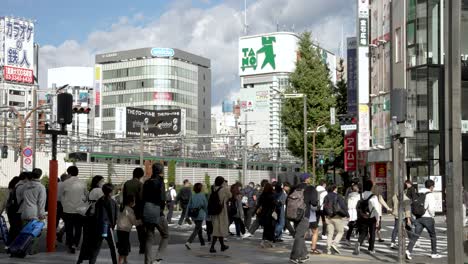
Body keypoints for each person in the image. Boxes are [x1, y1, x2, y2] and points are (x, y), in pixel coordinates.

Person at [406, 179, 442, 260]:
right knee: (433, 235)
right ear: (432, 187)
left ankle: (408, 251)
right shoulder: (430, 195)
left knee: (416, 235)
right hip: (428, 217)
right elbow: (431, 208)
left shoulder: (419, 193)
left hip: (418, 217)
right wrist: (432, 216)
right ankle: (434, 253)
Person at [143, 163, 169, 264]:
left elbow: (143, 198)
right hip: (157, 210)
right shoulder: (160, 182)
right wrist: (161, 210)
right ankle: (158, 258)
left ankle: (147, 261)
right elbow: (162, 198)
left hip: (147, 210)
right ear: (161, 170)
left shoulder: (147, 182)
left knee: (149, 237)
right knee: (165, 235)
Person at [289, 174, 317, 264]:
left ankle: (304, 255)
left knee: (299, 234)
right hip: (304, 214)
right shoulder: (311, 188)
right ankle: (294, 256)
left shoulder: (294, 188)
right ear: (306, 179)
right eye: (309, 178)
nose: (310, 179)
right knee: (299, 236)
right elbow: (314, 203)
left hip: (294, 214)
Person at [77, 175, 105, 264]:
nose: (103, 183)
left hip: (88, 217)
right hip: (95, 217)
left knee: (86, 240)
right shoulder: (99, 191)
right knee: (95, 241)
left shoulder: (91, 190)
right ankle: (91, 260)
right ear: (98, 182)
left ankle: (81, 259)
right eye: (102, 181)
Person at [60, 166, 88, 254]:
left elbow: (61, 196)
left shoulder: (65, 183)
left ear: (69, 173)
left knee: (69, 228)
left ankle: (69, 244)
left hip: (68, 210)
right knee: (78, 228)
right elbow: (86, 195)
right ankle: (75, 244)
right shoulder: (83, 183)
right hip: (80, 210)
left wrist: (64, 204)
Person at [88, 183, 118, 264]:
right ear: (111, 192)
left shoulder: (99, 201)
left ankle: (91, 262)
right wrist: (113, 224)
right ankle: (115, 262)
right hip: (108, 226)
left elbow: (96, 214)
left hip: (99, 226)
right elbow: (113, 215)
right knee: (113, 247)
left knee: (96, 247)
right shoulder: (112, 202)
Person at [19, 171, 46, 254]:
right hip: (35, 213)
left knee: (25, 232)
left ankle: (23, 249)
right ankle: (32, 251)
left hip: (24, 212)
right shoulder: (41, 187)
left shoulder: (25, 186)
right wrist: (42, 214)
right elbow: (41, 202)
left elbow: (20, 196)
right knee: (35, 233)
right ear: (40, 175)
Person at [354, 180, 382, 255]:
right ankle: (371, 249)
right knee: (372, 233)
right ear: (371, 187)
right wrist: (378, 220)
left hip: (362, 216)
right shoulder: (374, 196)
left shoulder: (360, 195)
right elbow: (377, 209)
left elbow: (356, 207)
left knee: (363, 232)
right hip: (371, 217)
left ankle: (359, 242)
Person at [122, 167, 145, 254]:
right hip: (138, 210)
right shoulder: (140, 184)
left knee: (126, 229)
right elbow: (142, 198)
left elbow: (124, 197)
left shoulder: (127, 183)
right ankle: (142, 248)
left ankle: (126, 247)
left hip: (127, 209)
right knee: (140, 230)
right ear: (141, 175)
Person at [323, 184, 348, 255]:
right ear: (334, 189)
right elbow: (343, 206)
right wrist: (347, 214)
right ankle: (335, 243)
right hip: (337, 217)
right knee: (340, 231)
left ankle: (328, 250)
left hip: (328, 216)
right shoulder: (338, 196)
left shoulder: (326, 196)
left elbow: (324, 206)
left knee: (330, 233)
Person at [209, 176, 232, 253]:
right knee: (218, 229)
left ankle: (222, 246)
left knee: (218, 228)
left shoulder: (212, 189)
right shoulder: (224, 189)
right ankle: (212, 247)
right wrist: (225, 186)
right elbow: (230, 195)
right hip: (221, 211)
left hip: (213, 211)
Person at [185, 183, 208, 249]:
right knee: (197, 229)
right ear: (201, 188)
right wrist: (208, 214)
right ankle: (189, 242)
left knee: (199, 228)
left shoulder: (192, 196)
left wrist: (187, 216)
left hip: (193, 215)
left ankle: (202, 243)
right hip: (200, 214)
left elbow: (188, 206)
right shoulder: (202, 196)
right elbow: (205, 206)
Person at [117, 195, 138, 264]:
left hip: (120, 229)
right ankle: (121, 262)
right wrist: (141, 222)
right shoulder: (129, 210)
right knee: (123, 248)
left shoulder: (122, 208)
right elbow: (134, 221)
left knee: (123, 246)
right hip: (124, 230)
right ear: (130, 202)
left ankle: (125, 261)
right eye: (134, 201)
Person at [390, 184, 412, 249]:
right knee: (408, 228)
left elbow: (392, 204)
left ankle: (392, 242)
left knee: (396, 229)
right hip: (403, 215)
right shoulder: (405, 198)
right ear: (405, 189)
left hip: (396, 214)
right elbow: (407, 210)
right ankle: (412, 241)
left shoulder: (394, 196)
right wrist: (408, 219)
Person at [257, 182, 277, 248]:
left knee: (265, 228)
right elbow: (274, 204)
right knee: (271, 228)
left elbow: (259, 204)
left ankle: (263, 241)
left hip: (264, 213)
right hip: (270, 213)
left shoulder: (262, 195)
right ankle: (271, 242)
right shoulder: (272, 195)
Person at [5, 176, 22, 245]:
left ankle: (9, 243)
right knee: (16, 227)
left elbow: (7, 202)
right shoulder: (16, 190)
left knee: (12, 227)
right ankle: (12, 243)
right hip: (15, 210)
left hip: (10, 210)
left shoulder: (10, 189)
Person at [57, 173, 70, 243]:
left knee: (55, 223)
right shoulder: (66, 185)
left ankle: (52, 241)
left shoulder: (56, 184)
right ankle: (63, 235)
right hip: (64, 205)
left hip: (56, 204)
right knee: (68, 223)